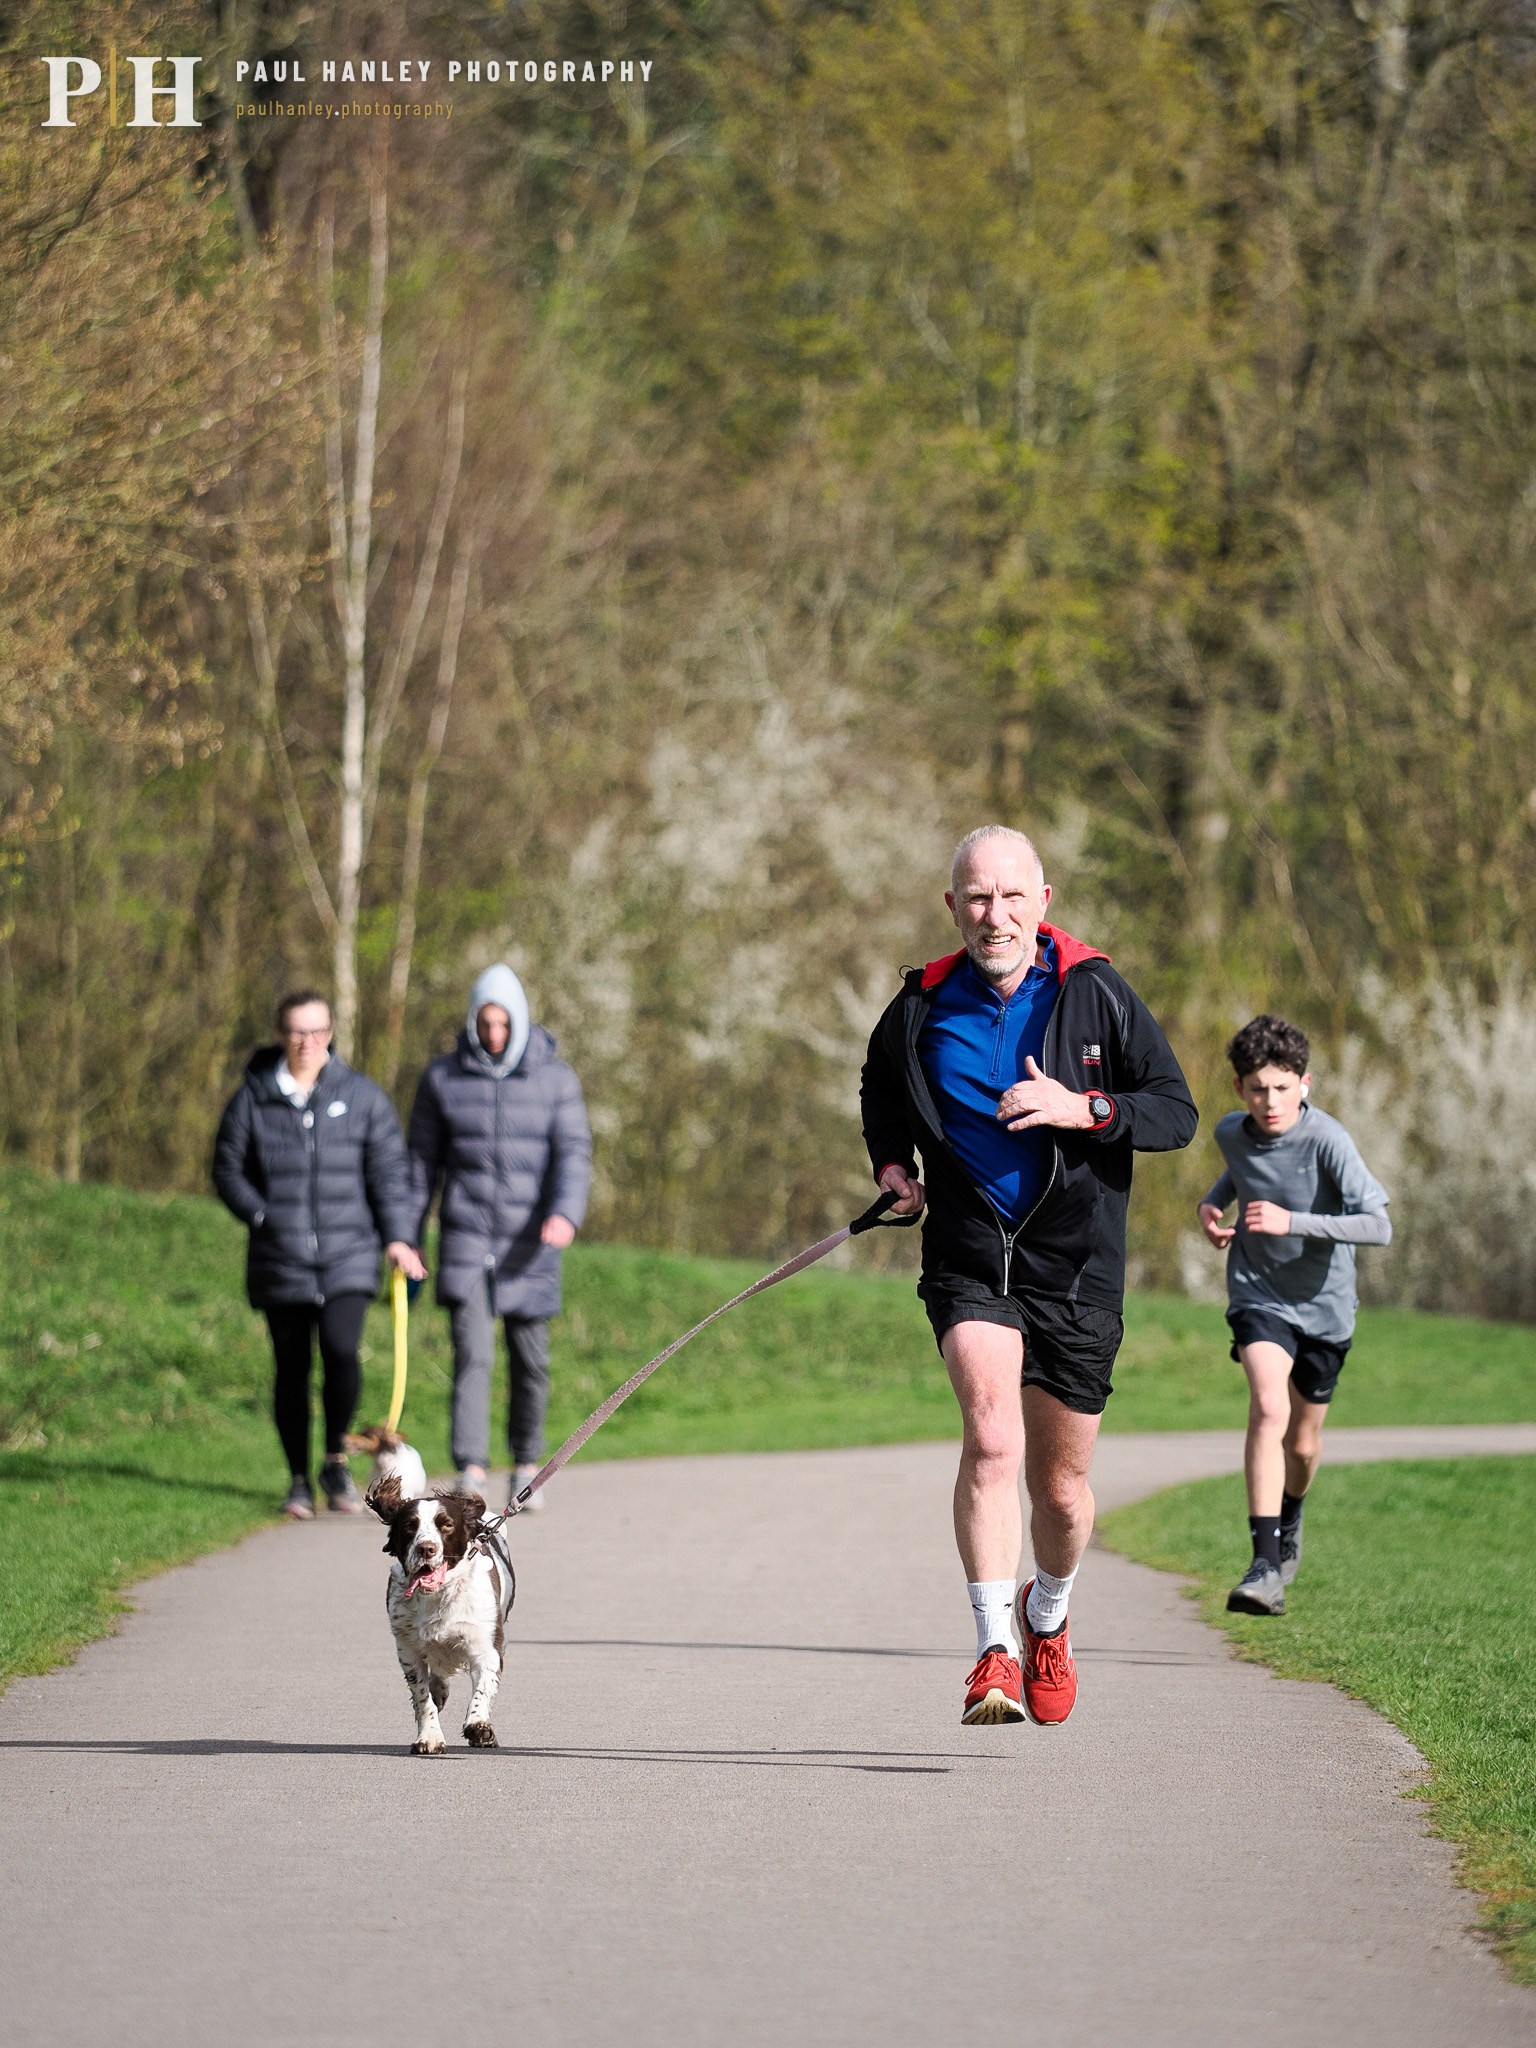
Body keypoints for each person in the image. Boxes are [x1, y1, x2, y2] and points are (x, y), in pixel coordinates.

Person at [861, 826, 1198, 1726]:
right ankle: (992, 1653)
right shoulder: (920, 1006)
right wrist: (893, 1167)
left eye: (1012, 896)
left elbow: (1175, 1113)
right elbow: (881, 1090)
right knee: (992, 1443)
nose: (994, 915)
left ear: (1042, 901)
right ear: (952, 907)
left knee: (1059, 1489)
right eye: (977, 897)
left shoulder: (1096, 991)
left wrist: (1083, 1107)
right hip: (971, 1256)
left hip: (1077, 1267)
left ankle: (1045, 1613)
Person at [1197, 1014, 1391, 1616]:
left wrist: (1292, 1221)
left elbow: (1377, 1225)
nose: (1270, 1101)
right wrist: (1212, 1202)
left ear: (1304, 1083)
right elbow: (1246, 1168)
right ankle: (1262, 1564)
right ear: (1240, 1090)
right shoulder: (1232, 1131)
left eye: (1282, 1088)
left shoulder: (1328, 1140)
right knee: (1268, 1406)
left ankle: (1291, 1513)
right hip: (1259, 1294)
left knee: (1302, 1445)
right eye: (1257, 1089)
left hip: (1326, 1309)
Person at [213, 990, 426, 1520]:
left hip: (348, 1253)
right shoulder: (252, 1099)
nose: (306, 1042)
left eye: (316, 1031)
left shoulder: (363, 1097)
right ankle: (297, 1480)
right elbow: (227, 1170)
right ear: (281, 1034)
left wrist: (397, 1237)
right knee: (291, 1368)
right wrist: (261, 1216)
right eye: (296, 1031)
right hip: (279, 1258)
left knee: (339, 1351)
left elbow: (389, 1175)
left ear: (330, 1033)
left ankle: (335, 1456)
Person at [407, 964, 592, 1507]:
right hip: (466, 1239)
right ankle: (470, 1471)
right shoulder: (442, 1079)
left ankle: (526, 1466)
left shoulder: (555, 1079)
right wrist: (408, 1235)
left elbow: (573, 1156)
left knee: (530, 1362)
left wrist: (565, 1213)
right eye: (484, 1023)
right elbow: (420, 1166)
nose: (493, 1035)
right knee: (472, 1358)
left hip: (530, 1243)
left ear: (520, 1020)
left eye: (503, 1024)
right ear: (472, 1020)